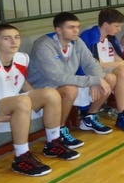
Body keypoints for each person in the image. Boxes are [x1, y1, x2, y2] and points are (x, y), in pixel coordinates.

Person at [0, 24, 79, 177]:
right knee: (22, 101)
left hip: (12, 106)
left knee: (51, 94)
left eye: (17, 37)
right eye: (7, 38)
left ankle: (53, 142)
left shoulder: (22, 58)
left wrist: (39, 97)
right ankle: (21, 157)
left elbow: (20, 80)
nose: (14, 41)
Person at [27, 12, 116, 149]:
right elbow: (57, 77)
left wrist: (97, 79)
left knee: (109, 78)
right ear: (58, 30)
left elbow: (91, 64)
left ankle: (89, 117)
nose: (76, 31)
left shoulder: (77, 42)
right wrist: (94, 80)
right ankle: (59, 129)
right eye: (71, 27)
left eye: (77, 27)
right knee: (70, 90)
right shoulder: (43, 46)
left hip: (66, 83)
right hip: (42, 88)